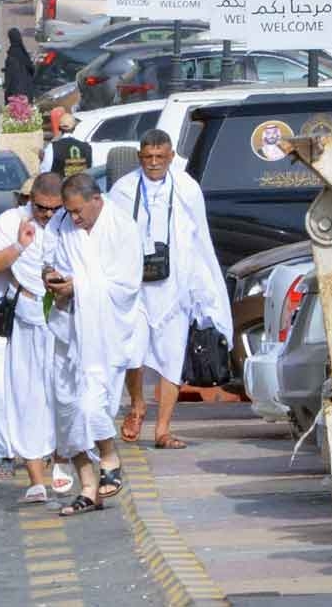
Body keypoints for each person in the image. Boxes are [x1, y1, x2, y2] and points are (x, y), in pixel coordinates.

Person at [108, 130, 232, 449]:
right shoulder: (123, 190)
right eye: (147, 157)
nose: (153, 164)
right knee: (131, 352)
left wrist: (205, 290)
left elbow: (199, 241)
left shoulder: (187, 190)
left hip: (174, 289)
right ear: (139, 157)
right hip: (135, 289)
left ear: (171, 157)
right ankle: (137, 404)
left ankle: (162, 429)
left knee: (172, 358)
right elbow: (111, 236)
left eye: (159, 158)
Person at [43, 172, 144, 517]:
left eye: (77, 211)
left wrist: (80, 286)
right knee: (67, 413)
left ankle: (110, 458)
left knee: (91, 405)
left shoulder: (122, 228)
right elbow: (49, 258)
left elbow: (127, 284)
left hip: (105, 334)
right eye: (68, 212)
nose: (73, 219)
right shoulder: (60, 224)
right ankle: (89, 489)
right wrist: (52, 278)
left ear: (96, 199)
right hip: (68, 331)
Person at [0, 173, 66, 503]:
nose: (46, 215)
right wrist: (19, 245)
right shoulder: (11, 221)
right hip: (26, 314)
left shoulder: (69, 223)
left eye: (53, 209)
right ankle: (35, 479)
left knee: (62, 393)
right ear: (31, 201)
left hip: (64, 315)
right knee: (25, 395)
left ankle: (61, 461)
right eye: (41, 208)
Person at [40, 110, 92, 176]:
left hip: (61, 185)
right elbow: (91, 170)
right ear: (74, 128)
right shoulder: (86, 147)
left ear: (59, 128)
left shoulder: (52, 147)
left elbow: (45, 172)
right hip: (82, 185)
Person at [2, 27, 35, 103]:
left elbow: (9, 77)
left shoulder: (11, 56)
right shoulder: (23, 53)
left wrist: (6, 92)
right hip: (27, 92)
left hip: (15, 94)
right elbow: (31, 70)